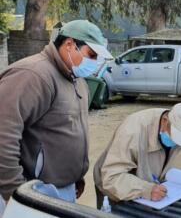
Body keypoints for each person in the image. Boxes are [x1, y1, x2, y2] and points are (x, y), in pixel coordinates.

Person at [0, 20, 113, 202]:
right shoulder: (33, 75)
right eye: (91, 55)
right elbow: (4, 136)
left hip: (62, 189)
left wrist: (75, 176)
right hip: (33, 191)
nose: (94, 62)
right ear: (69, 44)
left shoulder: (78, 80)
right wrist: (16, 193)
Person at [93, 104, 181, 207]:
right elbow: (111, 178)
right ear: (165, 121)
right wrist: (146, 189)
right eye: (176, 137)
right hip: (113, 192)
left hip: (144, 193)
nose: (176, 143)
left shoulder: (177, 127)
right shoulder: (132, 132)